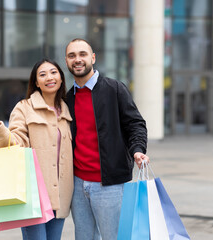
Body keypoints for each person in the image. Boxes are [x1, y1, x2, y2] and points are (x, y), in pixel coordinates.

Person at [0, 58, 73, 240]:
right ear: (36, 82)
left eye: (53, 72)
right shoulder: (24, 108)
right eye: (42, 74)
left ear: (61, 78)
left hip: (60, 196)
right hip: (34, 195)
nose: (49, 77)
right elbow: (16, 141)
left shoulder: (67, 111)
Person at [65, 38, 149, 240]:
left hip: (110, 185)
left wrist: (137, 150)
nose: (77, 59)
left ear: (93, 58)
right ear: (67, 61)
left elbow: (135, 123)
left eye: (82, 54)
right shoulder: (67, 98)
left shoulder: (115, 89)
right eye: (72, 55)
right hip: (77, 185)